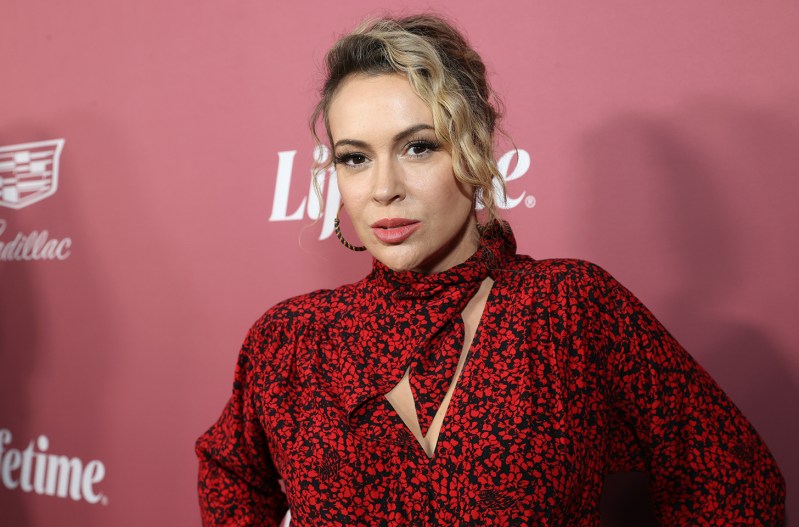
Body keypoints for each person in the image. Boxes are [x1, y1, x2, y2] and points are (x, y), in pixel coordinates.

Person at [195, 14, 785, 526]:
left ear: (474, 148)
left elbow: (734, 478)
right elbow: (228, 473)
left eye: (419, 147)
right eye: (355, 158)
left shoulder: (567, 306)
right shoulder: (291, 341)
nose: (383, 188)